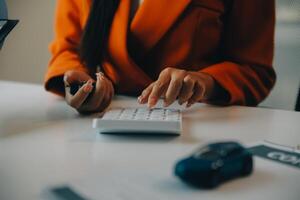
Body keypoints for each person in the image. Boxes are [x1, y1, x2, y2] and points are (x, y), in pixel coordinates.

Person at [45, 0, 276, 113]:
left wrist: (204, 82)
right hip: (100, 123)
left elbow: (254, 69)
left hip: (196, 123)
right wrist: (80, 88)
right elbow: (69, 49)